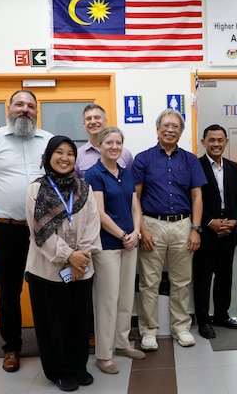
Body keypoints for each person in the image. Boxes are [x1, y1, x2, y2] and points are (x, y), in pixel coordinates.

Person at [0, 90, 53, 373]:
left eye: (30, 105)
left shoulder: (48, 140)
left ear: (37, 111)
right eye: (20, 104)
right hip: (8, 230)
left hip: (44, 231)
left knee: (46, 288)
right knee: (8, 291)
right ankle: (11, 347)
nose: (25, 110)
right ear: (9, 108)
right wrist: (0, 203)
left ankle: (50, 343)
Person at [24, 136, 101, 391]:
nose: (65, 158)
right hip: (46, 271)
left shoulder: (84, 189)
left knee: (79, 322)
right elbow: (39, 233)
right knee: (53, 323)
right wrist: (70, 256)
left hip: (81, 268)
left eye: (70, 153)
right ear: (49, 157)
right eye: (59, 152)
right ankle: (59, 370)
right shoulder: (36, 189)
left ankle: (78, 366)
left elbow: (93, 224)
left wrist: (82, 258)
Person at [132, 108, 207, 350]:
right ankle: (149, 331)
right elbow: (136, 197)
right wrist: (142, 229)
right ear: (157, 129)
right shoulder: (143, 159)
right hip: (151, 224)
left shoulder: (190, 160)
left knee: (182, 281)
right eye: (166, 125)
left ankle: (181, 327)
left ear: (181, 132)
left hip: (183, 226)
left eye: (175, 126)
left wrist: (195, 229)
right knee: (149, 281)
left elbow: (197, 196)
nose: (170, 129)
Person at [85, 127, 146, 375]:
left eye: (118, 142)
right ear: (100, 145)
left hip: (130, 243)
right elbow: (99, 213)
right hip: (108, 245)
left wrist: (136, 233)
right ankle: (104, 354)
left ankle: (122, 343)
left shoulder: (126, 173)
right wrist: (122, 235)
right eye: (109, 142)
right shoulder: (94, 174)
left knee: (125, 298)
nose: (114, 146)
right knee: (107, 300)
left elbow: (135, 207)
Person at [193, 124, 237, 339]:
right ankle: (204, 321)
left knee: (225, 278)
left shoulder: (233, 167)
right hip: (205, 234)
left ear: (226, 142)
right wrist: (209, 222)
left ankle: (222, 315)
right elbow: (193, 199)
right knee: (203, 279)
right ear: (203, 142)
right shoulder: (195, 166)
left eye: (220, 140)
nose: (216, 144)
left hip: (228, 233)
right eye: (211, 140)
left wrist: (234, 221)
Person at [75, 104, 134, 181]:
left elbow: (131, 182)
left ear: (105, 121)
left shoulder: (125, 154)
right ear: (84, 125)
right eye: (89, 119)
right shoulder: (78, 155)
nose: (93, 122)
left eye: (97, 117)